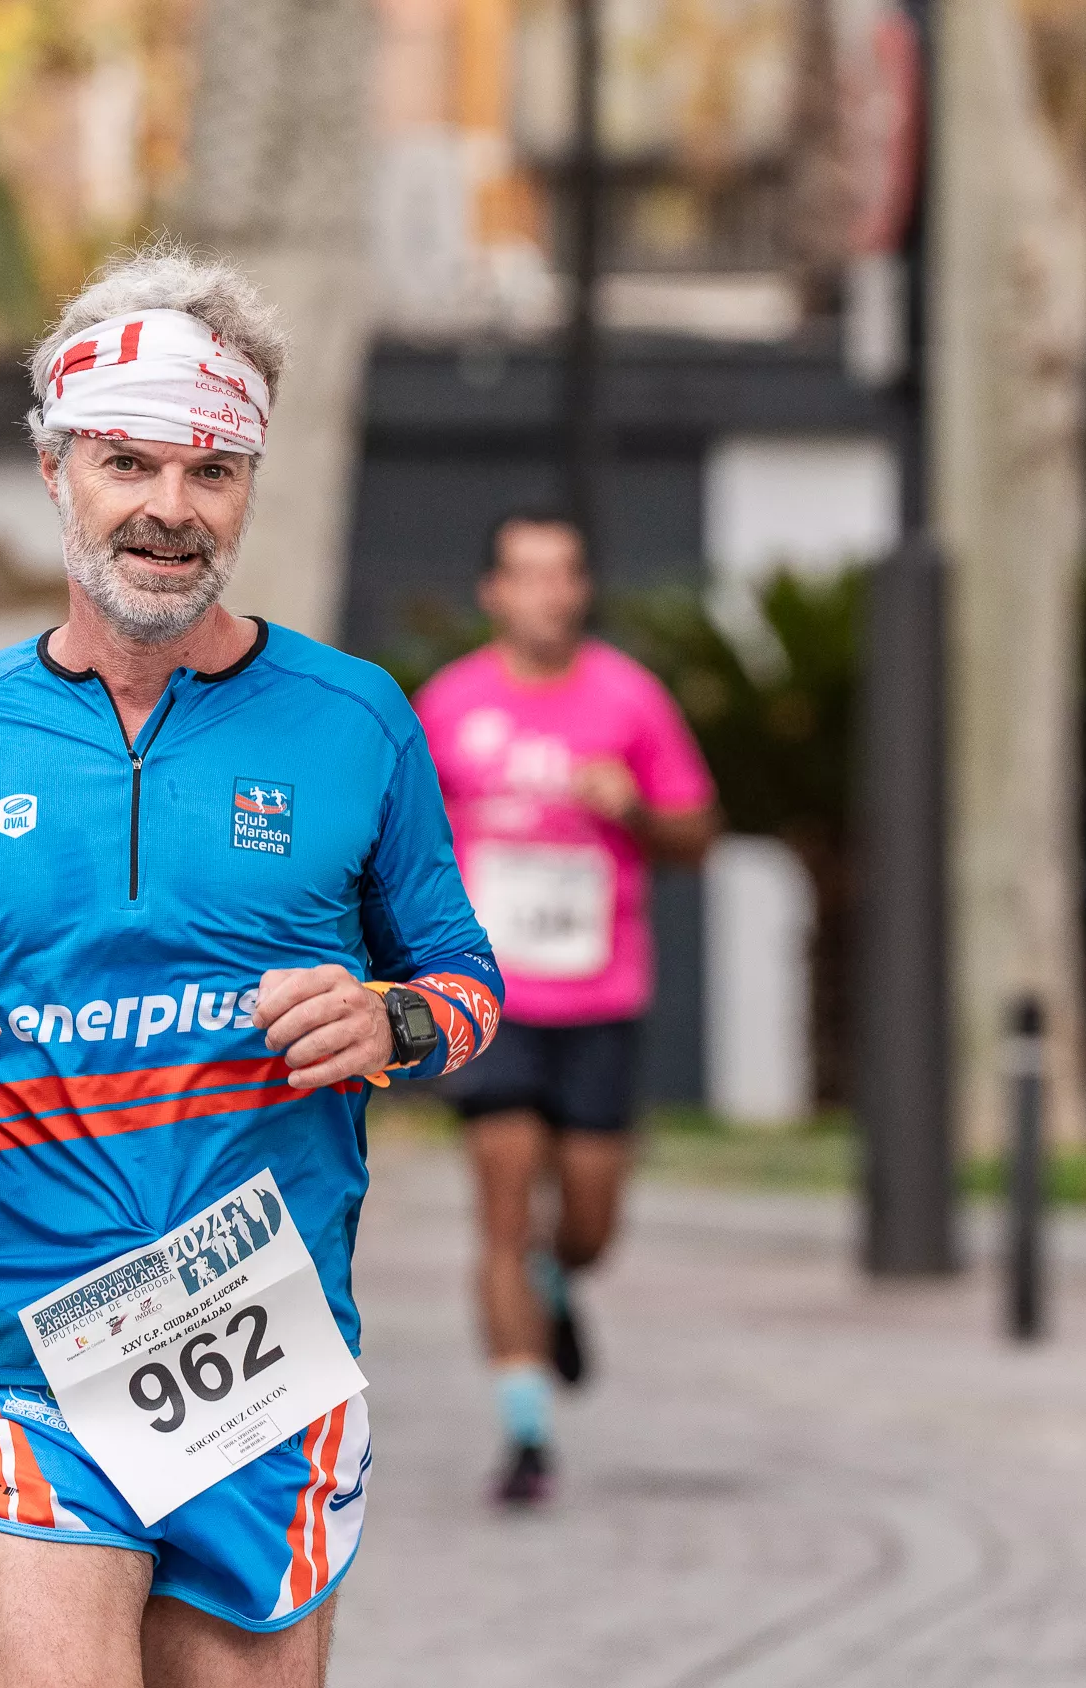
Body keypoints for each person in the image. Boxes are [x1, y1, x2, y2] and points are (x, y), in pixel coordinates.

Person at [0, 245, 501, 1688]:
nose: (170, 509)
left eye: (212, 471)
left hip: (254, 1328)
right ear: (56, 470)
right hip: (8, 1323)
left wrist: (392, 1020)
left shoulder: (354, 719)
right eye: (128, 462)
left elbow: (469, 986)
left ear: (248, 486)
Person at [414, 513, 719, 1507]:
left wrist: (632, 807)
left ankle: (561, 1273)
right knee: (502, 1201)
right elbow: (397, 844)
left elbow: (697, 832)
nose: (546, 591)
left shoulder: (629, 698)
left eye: (563, 573)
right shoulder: (449, 704)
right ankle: (526, 1432)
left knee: (587, 1220)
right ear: (493, 591)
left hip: (600, 996)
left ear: (581, 588)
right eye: (525, 574)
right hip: (488, 997)